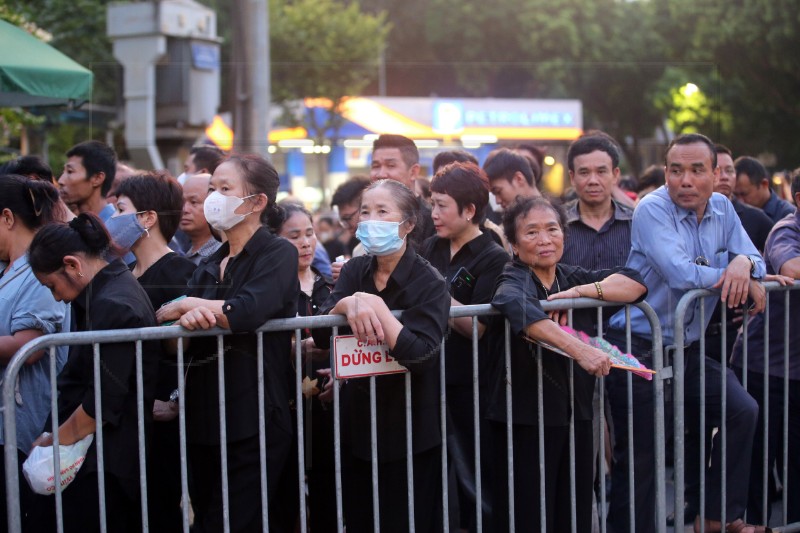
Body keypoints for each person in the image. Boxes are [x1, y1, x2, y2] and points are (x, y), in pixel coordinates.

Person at [604, 133, 766, 533]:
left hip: (686, 350)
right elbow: (680, 275)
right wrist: (736, 276)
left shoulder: (724, 208)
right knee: (642, 457)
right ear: (666, 173)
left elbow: (756, 258)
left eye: (697, 170)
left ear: (716, 173)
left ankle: (715, 518)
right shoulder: (651, 209)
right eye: (676, 171)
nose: (686, 180)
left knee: (742, 409)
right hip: (637, 348)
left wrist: (744, 262)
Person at [155, 153, 298, 532]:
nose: (213, 198)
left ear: (256, 202)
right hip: (203, 418)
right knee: (205, 515)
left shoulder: (277, 252)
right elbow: (173, 337)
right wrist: (183, 316)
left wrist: (190, 305)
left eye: (224, 188)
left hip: (254, 417)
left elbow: (249, 310)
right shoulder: (210, 260)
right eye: (212, 188)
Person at [487, 196, 646, 533]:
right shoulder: (513, 278)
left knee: (573, 510)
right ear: (514, 245)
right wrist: (580, 350)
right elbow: (514, 305)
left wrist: (583, 292)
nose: (544, 240)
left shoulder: (570, 277)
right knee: (528, 512)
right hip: (525, 418)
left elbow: (634, 283)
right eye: (531, 233)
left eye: (552, 229)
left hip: (576, 414)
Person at [313, 179, 450, 532]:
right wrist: (348, 302)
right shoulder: (358, 270)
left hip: (411, 429)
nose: (370, 220)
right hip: (358, 427)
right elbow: (320, 329)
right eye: (365, 212)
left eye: (382, 212)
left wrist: (377, 309)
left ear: (407, 224)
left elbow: (422, 355)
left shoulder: (429, 281)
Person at [28, 213, 160, 533]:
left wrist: (51, 442)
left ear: (72, 265)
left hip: (109, 463)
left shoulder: (114, 303)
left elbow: (102, 403)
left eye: (52, 286)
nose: (56, 297)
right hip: (99, 456)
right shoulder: (101, 291)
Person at [419, 162, 509, 530]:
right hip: (429, 378)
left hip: (473, 386)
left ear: (470, 210)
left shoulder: (493, 256)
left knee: (477, 477)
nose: (434, 214)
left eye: (442, 206)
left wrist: (433, 291)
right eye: (432, 204)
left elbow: (479, 328)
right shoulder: (429, 246)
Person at [107, 171, 197, 531]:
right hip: (129, 413)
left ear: (147, 218)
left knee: (159, 507)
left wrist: (174, 397)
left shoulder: (181, 272)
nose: (112, 219)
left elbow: (193, 348)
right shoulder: (125, 272)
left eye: (120, 209)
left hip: (162, 416)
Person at [0, 175, 70, 532]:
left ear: (8, 218)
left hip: (25, 430)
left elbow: (27, 347)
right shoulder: (6, 269)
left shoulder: (36, 270)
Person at [730, 169, 800, 525]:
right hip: (764, 368)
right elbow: (791, 266)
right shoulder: (786, 229)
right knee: (759, 462)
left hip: (794, 370)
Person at [269, 201, 336, 532]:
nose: (306, 242)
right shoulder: (272, 292)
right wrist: (296, 348)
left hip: (326, 408)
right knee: (285, 493)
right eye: (294, 236)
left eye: (309, 233)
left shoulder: (330, 286)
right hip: (284, 407)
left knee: (328, 490)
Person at [562, 131, 633, 271]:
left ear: (615, 175)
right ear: (572, 177)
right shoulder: (556, 224)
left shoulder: (636, 223)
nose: (593, 181)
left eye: (601, 172)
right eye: (584, 173)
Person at [370, 134, 435, 248]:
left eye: (390, 165)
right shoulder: (369, 220)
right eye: (376, 166)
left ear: (413, 172)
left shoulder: (433, 222)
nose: (381, 174)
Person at [58, 140, 118, 221]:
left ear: (97, 178)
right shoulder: (71, 225)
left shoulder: (116, 228)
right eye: (63, 172)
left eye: (70, 171)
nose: (60, 181)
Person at [734, 155, 795, 224]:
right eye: (735, 195)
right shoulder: (734, 213)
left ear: (764, 184)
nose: (739, 200)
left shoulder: (788, 215)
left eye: (744, 194)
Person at [179, 173, 222, 265]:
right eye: (181, 202)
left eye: (193, 202)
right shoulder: (185, 254)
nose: (184, 209)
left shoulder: (222, 256)